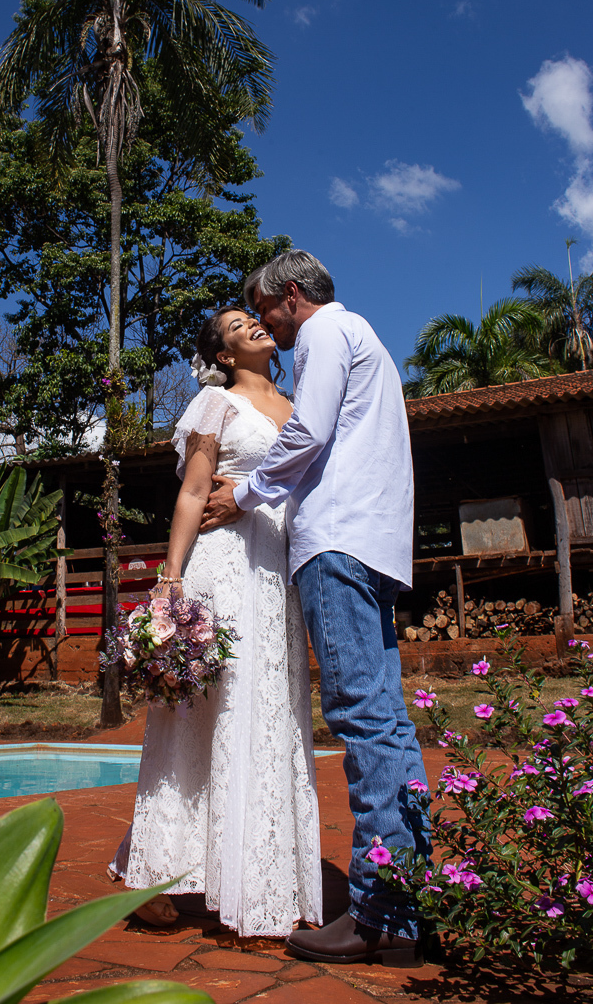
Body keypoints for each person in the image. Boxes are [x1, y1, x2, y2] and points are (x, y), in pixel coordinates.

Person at [201, 250, 430, 967]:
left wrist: (243, 495)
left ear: (291, 295)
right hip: (377, 544)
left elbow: (308, 432)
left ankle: (378, 913)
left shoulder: (326, 331)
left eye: (264, 309)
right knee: (389, 723)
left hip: (336, 543)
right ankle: (409, 903)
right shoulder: (366, 337)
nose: (266, 324)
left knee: (362, 719)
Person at [109, 304, 322, 937]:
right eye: (235, 326)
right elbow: (194, 492)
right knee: (207, 712)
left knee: (269, 711)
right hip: (225, 565)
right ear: (224, 356)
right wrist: (171, 578)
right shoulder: (215, 404)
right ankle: (155, 869)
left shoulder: (300, 406)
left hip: (279, 568)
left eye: (253, 317)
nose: (252, 323)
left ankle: (255, 873)